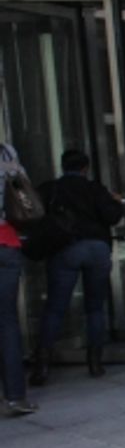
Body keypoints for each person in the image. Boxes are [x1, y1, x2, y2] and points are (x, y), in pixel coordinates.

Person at [27, 149, 125, 384]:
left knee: (55, 308)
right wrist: (117, 202)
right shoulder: (96, 189)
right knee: (94, 308)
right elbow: (112, 217)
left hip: (65, 249)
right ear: (85, 168)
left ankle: (42, 366)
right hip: (97, 249)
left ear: (63, 166)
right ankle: (95, 362)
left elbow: (34, 214)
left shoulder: (51, 189)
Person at [0, 142, 36, 415]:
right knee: (7, 323)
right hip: (7, 244)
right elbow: (23, 188)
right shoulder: (6, 151)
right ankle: (15, 397)